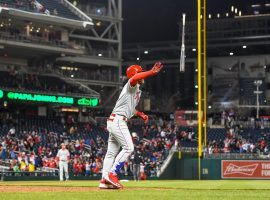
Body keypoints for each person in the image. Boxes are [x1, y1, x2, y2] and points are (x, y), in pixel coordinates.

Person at [99, 62, 163, 189]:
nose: (142, 76)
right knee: (129, 148)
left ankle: (104, 180)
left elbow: (129, 108)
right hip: (118, 120)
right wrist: (151, 72)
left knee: (111, 153)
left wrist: (140, 114)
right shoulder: (131, 85)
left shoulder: (136, 90)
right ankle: (112, 174)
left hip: (115, 120)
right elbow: (134, 78)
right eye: (140, 73)